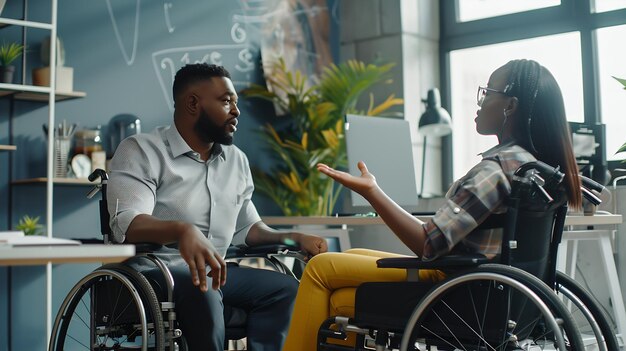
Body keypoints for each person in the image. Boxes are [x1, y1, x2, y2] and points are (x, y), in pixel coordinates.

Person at [282, 59, 582, 350]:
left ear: (510, 105)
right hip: (499, 292)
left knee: (322, 268)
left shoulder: (495, 170)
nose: (479, 102)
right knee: (351, 259)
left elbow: (428, 245)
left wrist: (372, 192)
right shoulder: (535, 169)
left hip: (459, 289)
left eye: (488, 92)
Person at [107, 63, 328, 350]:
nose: (236, 111)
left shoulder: (236, 160)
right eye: (226, 101)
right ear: (193, 103)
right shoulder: (141, 150)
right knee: (205, 287)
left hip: (216, 272)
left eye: (235, 103)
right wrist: (182, 230)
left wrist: (295, 238)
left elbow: (249, 228)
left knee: (284, 289)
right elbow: (128, 222)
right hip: (157, 271)